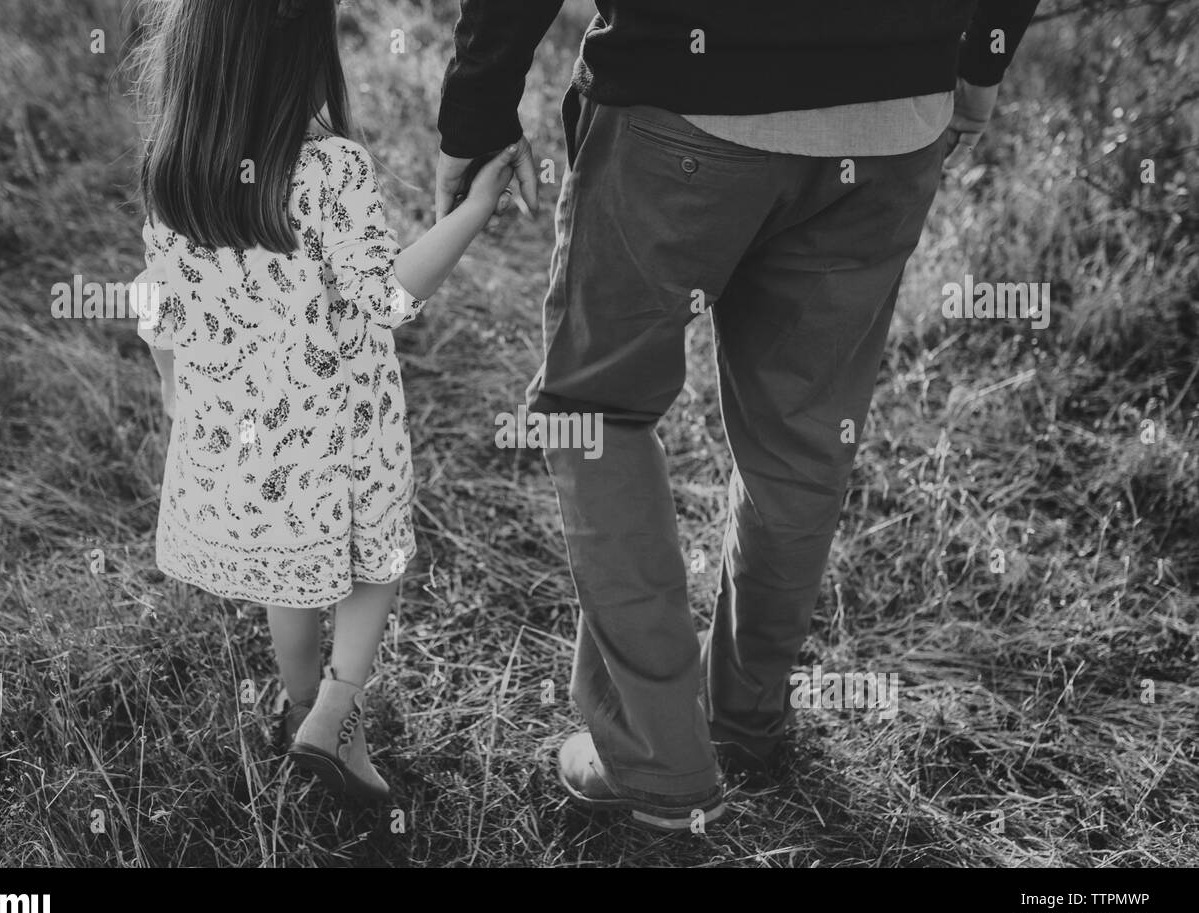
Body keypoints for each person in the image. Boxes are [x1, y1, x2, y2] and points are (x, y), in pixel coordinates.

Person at [436, 0, 1040, 831]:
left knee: (596, 411)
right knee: (804, 435)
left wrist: (477, 106)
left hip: (683, 100)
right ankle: (746, 722)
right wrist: (975, 66)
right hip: (896, 115)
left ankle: (655, 760)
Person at [131, 0, 516, 802]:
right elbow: (386, 295)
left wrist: (175, 389)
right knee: (375, 560)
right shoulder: (329, 167)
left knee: (291, 573)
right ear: (305, 53)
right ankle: (336, 711)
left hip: (246, 435)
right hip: (343, 427)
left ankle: (300, 703)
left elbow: (159, 310)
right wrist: (474, 211)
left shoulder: (173, 168)